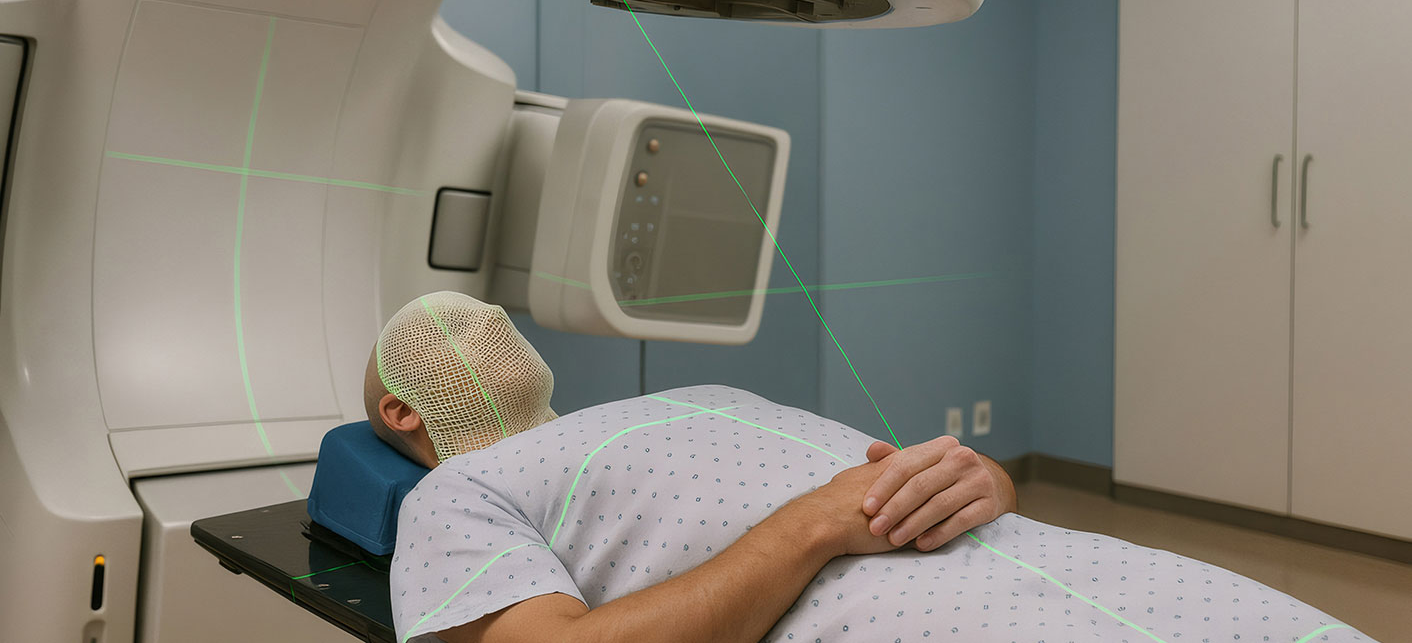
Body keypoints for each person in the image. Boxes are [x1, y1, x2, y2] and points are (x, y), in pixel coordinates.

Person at [366, 292, 1370, 643]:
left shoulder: (701, 396)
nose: (472, 326)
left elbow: (900, 480)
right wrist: (811, 526)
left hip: (1078, 567)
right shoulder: (455, 492)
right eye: (435, 335)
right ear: (396, 412)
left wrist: (983, 480)